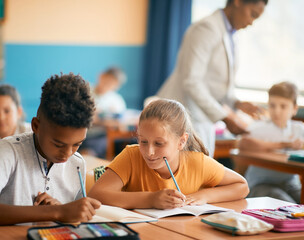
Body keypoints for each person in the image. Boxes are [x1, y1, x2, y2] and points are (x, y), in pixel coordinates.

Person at [0, 73, 101, 226]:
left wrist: (61, 210)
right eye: (58, 144)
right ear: (36, 126)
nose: (68, 154)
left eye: (77, 144)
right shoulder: (9, 150)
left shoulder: (77, 163)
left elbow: (75, 219)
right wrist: (57, 212)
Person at [88, 99, 249, 209]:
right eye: (143, 141)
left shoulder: (197, 162)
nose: (149, 152)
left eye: (159, 143)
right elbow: (97, 194)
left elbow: (242, 186)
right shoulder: (132, 156)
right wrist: (151, 199)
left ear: (181, 141)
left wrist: (204, 195)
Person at [156, 0, 268, 156]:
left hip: (201, 119)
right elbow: (191, 81)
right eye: (252, 14)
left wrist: (237, 103)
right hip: (181, 115)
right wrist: (225, 117)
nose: (251, 22)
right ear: (238, 2)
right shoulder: (206, 28)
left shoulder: (229, 34)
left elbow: (214, 83)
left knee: (200, 174)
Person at [238, 81, 303, 203]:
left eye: (283, 106)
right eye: (272, 106)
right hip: (261, 184)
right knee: (289, 207)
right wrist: (286, 144)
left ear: (294, 109)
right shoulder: (259, 127)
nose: (277, 111)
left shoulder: (299, 128)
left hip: (290, 185)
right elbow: (243, 143)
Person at [80, 66, 127, 158]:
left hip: (103, 136)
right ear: (101, 76)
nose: (109, 85)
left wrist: (100, 119)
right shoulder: (84, 91)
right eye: (108, 80)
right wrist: (103, 121)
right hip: (84, 133)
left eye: (113, 84)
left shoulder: (116, 100)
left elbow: (120, 123)